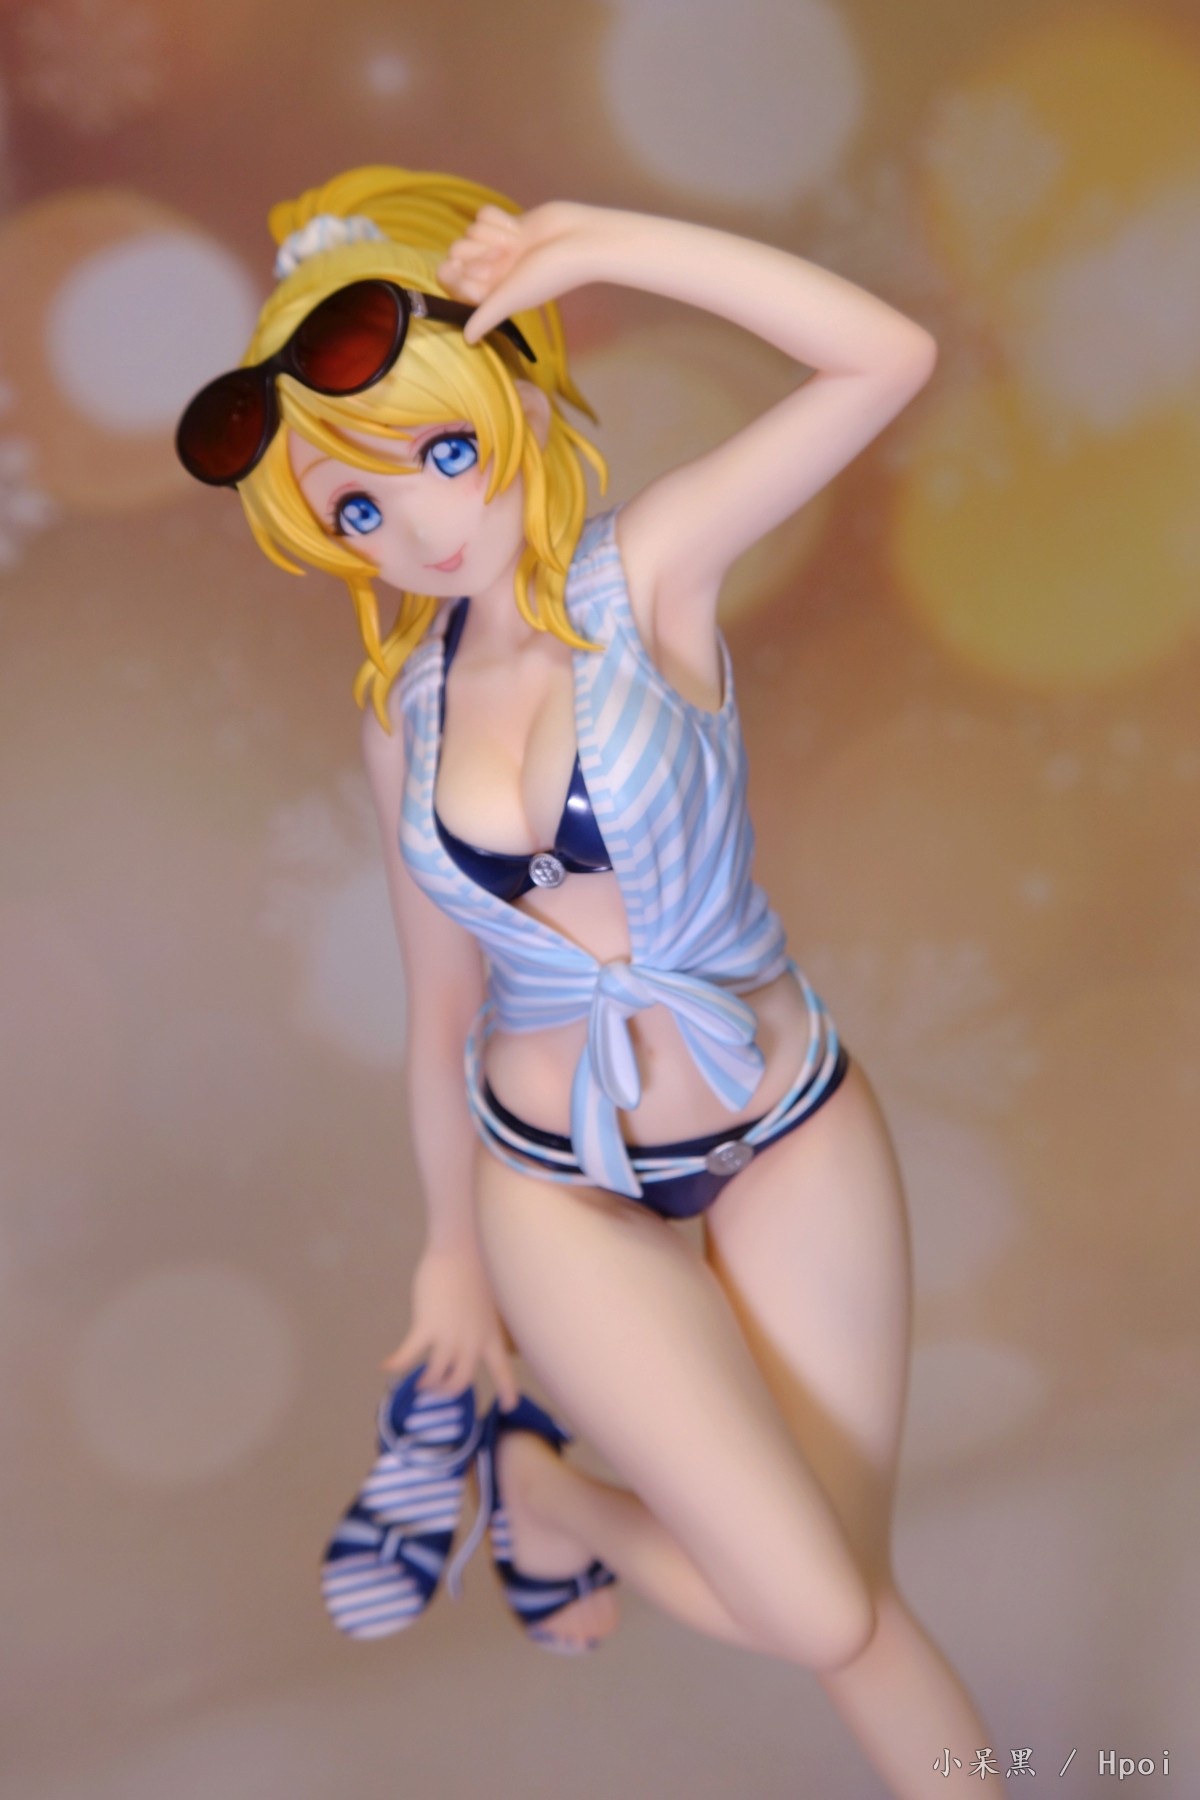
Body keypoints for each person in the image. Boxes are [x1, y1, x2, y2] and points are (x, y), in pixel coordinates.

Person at [177, 166, 991, 1798]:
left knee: (848, 1600)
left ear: (513, 385)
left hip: (787, 1122)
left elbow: (885, 357)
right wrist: (449, 1262)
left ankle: (544, 1497)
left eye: (438, 452)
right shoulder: (401, 715)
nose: (421, 524)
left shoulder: (656, 567)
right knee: (822, 1611)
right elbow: (439, 1013)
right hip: (557, 1183)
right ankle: (547, 1492)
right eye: (357, 510)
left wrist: (609, 246)